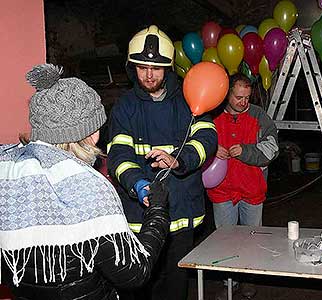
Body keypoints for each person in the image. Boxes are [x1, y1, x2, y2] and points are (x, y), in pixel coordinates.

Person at [0, 63, 170, 300]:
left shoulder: (8, 173)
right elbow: (133, 273)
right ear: (89, 133)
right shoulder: (89, 189)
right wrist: (159, 211)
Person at [107, 25, 217, 300]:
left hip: (182, 211)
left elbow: (207, 137)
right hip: (140, 215)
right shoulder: (125, 107)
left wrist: (179, 160)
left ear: (168, 67)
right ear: (133, 67)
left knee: (176, 284)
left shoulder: (189, 97)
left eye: (156, 68)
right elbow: (119, 156)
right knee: (143, 284)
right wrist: (137, 184)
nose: (148, 74)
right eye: (142, 67)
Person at [206, 73, 279, 299]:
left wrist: (246, 151)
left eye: (247, 97)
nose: (244, 102)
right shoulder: (211, 116)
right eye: (238, 97)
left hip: (252, 191)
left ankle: (248, 279)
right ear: (227, 94)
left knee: (252, 240)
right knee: (225, 242)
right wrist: (210, 149)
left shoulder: (259, 116)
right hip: (222, 192)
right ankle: (229, 282)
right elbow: (193, 145)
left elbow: (272, 148)